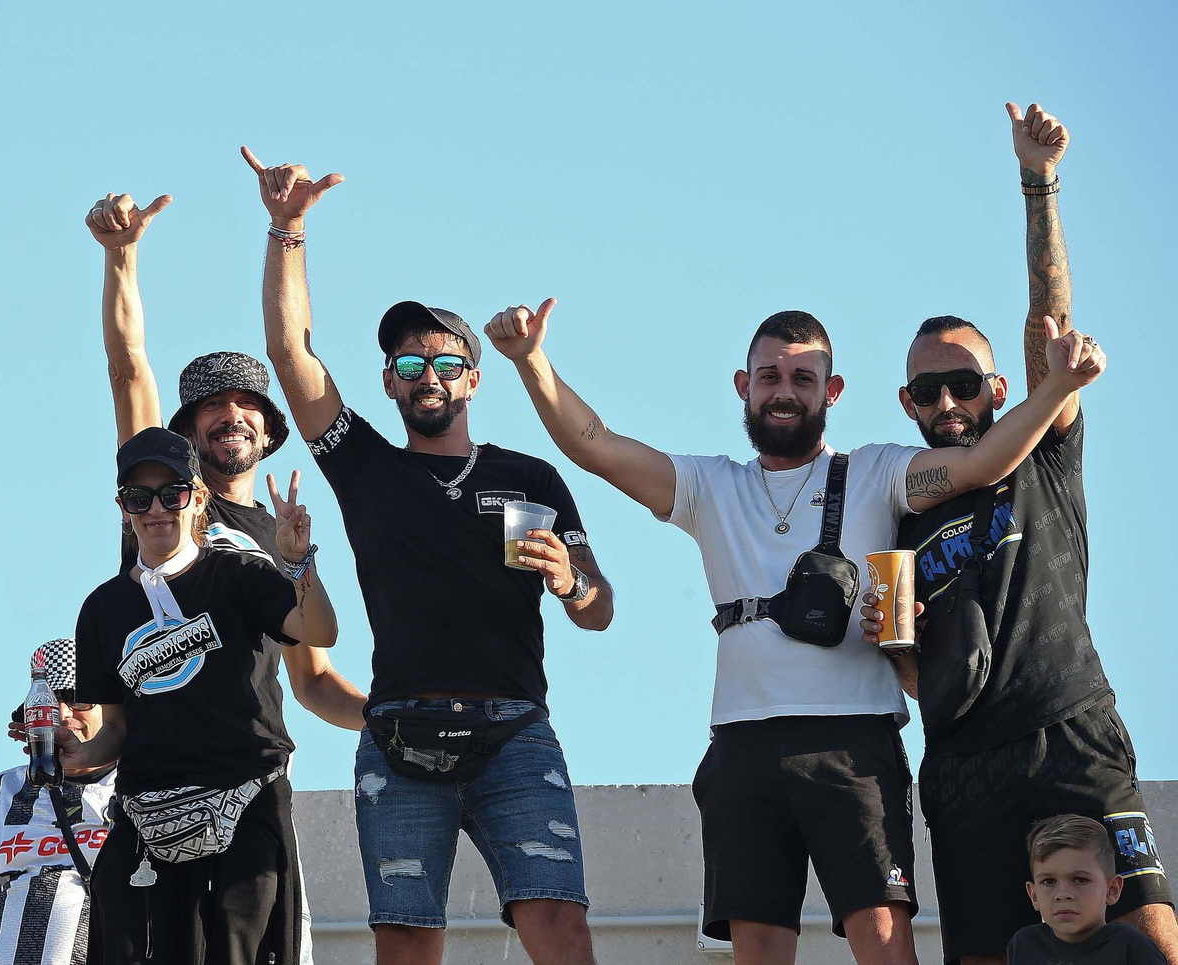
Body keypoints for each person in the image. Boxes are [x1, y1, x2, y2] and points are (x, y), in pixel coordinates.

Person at [481, 293, 1104, 965]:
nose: (784, 392)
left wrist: (1058, 388)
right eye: (770, 377)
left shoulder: (878, 471)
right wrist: (531, 360)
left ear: (831, 392)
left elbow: (984, 463)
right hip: (742, 744)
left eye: (803, 378)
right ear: (743, 386)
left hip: (854, 742)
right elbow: (596, 445)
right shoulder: (710, 486)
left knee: (885, 944)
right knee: (757, 949)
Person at [248, 147, 615, 965]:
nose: (429, 376)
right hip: (398, 735)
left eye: (447, 363)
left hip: (514, 729)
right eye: (410, 364)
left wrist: (571, 580)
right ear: (389, 382)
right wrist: (287, 229)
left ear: (474, 380)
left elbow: (600, 608)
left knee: (558, 923)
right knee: (408, 938)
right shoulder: (367, 468)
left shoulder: (528, 477)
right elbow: (290, 356)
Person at [860, 104, 1175, 965]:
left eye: (965, 383)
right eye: (928, 391)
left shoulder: (1041, 448)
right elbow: (903, 662)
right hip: (965, 762)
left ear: (999, 389)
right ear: (906, 403)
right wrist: (899, 647)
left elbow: (1050, 330)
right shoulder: (893, 506)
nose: (947, 402)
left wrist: (1039, 183)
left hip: (1071, 730)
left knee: (1147, 943)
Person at [85, 190, 369, 962]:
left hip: (250, 794)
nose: (232, 414)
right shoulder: (158, 507)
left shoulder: (282, 539)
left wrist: (390, 714)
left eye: (248, 402)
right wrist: (121, 257)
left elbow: (314, 680)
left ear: (270, 429)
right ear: (185, 432)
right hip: (152, 792)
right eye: (212, 405)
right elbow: (128, 370)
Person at [72, 427, 338, 965]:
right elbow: (116, 730)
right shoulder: (102, 608)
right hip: (147, 814)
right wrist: (73, 757)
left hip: (246, 797)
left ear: (197, 498)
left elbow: (320, 632)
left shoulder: (240, 572)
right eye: (139, 497)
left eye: (171, 493)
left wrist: (298, 561)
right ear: (123, 508)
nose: (156, 509)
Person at [0, 638, 117, 965]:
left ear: (111, 709)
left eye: (79, 700)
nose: (63, 713)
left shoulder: (136, 790)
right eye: (49, 703)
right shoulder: (4, 791)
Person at [1006, 814, 1168, 964]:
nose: (1063, 895)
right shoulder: (1024, 945)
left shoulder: (1131, 948)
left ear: (1112, 889)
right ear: (1034, 895)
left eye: (1080, 880)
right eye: (1049, 881)